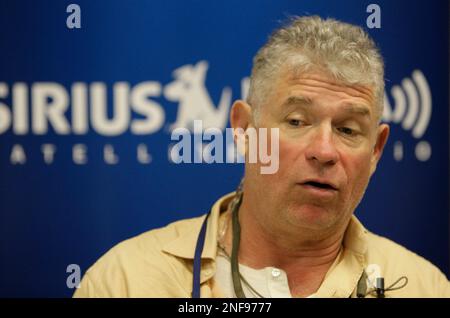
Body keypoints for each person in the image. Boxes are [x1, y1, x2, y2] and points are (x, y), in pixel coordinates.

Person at [74, 16, 450, 298]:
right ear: (243, 130)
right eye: (297, 120)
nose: (323, 151)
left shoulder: (425, 287)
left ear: (376, 150)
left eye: (348, 129)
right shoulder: (125, 281)